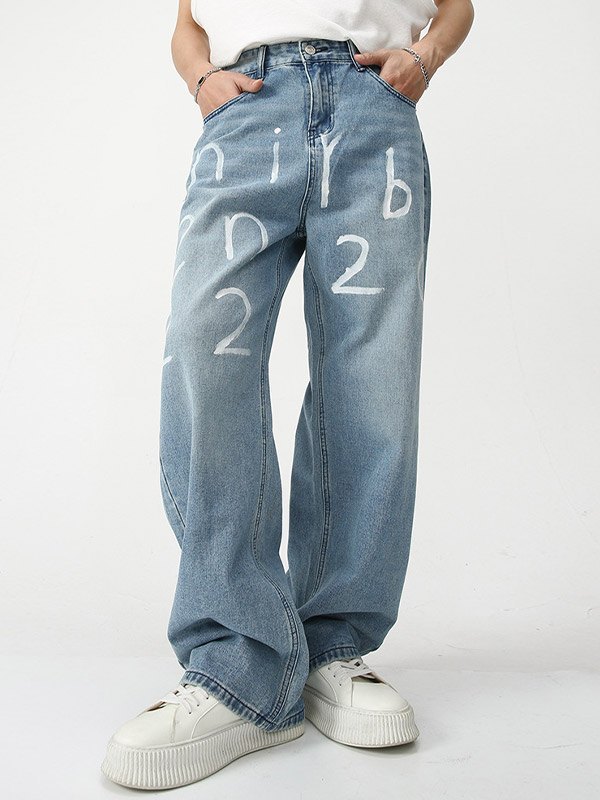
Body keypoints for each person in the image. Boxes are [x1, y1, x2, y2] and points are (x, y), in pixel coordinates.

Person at [102, 0, 474, 790]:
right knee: (204, 349)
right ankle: (239, 664)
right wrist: (200, 79)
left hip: (374, 112)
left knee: (371, 379)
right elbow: (188, 19)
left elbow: (457, 5)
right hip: (247, 108)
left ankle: (333, 645)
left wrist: (426, 57)